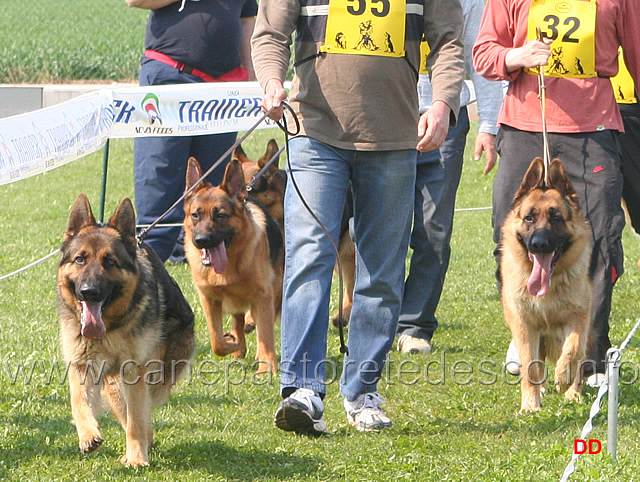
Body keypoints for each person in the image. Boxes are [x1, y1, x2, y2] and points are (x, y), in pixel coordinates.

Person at [252, 0, 464, 434]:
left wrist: (443, 103)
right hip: (313, 132)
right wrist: (272, 80)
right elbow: (271, 31)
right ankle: (303, 389)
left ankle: (362, 390)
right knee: (310, 255)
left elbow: (448, 41)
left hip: (394, 137)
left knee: (382, 270)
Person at [472, 0, 640, 384]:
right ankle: (524, 332)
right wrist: (517, 55)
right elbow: (484, 52)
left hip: (593, 128)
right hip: (523, 124)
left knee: (601, 236)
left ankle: (591, 355)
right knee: (510, 231)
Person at [396, 0, 504, 355]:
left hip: (447, 120)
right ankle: (378, 316)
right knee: (372, 224)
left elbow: (479, 53)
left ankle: (414, 325)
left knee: (434, 230)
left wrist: (489, 125)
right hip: (386, 115)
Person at [125, 0, 257, 262]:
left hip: (222, 88)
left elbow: (247, 18)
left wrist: (250, 75)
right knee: (159, 181)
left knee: (212, 186)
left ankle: (199, 258)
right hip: (170, 78)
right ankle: (150, 262)